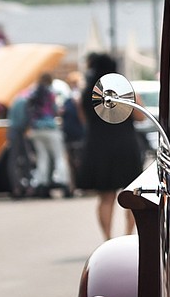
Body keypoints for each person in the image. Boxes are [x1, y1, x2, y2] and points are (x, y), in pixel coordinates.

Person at [77, 52, 146, 239]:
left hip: (98, 146)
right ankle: (128, 235)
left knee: (105, 197)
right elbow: (140, 116)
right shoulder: (124, 89)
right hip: (124, 144)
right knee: (131, 195)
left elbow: (83, 119)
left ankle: (107, 238)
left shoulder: (87, 92)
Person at [26, 73, 70, 198]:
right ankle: (63, 181)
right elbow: (55, 109)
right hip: (50, 128)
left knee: (42, 157)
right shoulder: (51, 93)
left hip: (36, 129)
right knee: (59, 156)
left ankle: (42, 183)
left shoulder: (33, 93)